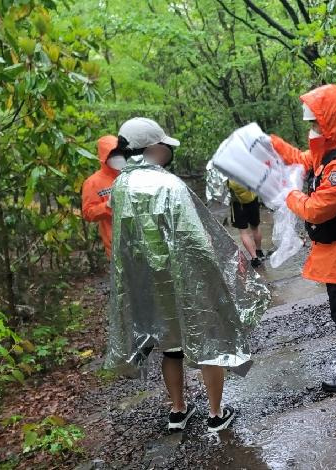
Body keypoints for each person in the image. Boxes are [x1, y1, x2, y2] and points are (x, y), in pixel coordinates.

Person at [106, 117, 269, 432]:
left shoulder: (120, 186)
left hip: (148, 287)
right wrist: (222, 269)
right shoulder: (169, 185)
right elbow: (196, 240)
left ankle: (178, 410)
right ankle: (216, 413)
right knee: (209, 341)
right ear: (153, 148)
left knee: (171, 347)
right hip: (184, 279)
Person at [270, 84, 336, 393]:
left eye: (316, 123)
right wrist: (272, 144)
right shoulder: (333, 153)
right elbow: (302, 159)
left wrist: (288, 195)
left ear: (330, 123)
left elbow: (316, 210)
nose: (312, 129)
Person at [81, 135, 124, 258]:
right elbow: (88, 213)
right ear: (104, 157)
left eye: (120, 152)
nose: (117, 157)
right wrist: (107, 206)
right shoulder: (93, 182)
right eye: (112, 154)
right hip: (117, 246)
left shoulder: (134, 174)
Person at [228, 179, 264, 267]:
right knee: (255, 227)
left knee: (244, 232)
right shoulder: (247, 168)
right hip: (252, 200)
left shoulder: (229, 171)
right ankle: (259, 251)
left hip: (237, 204)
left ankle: (254, 258)